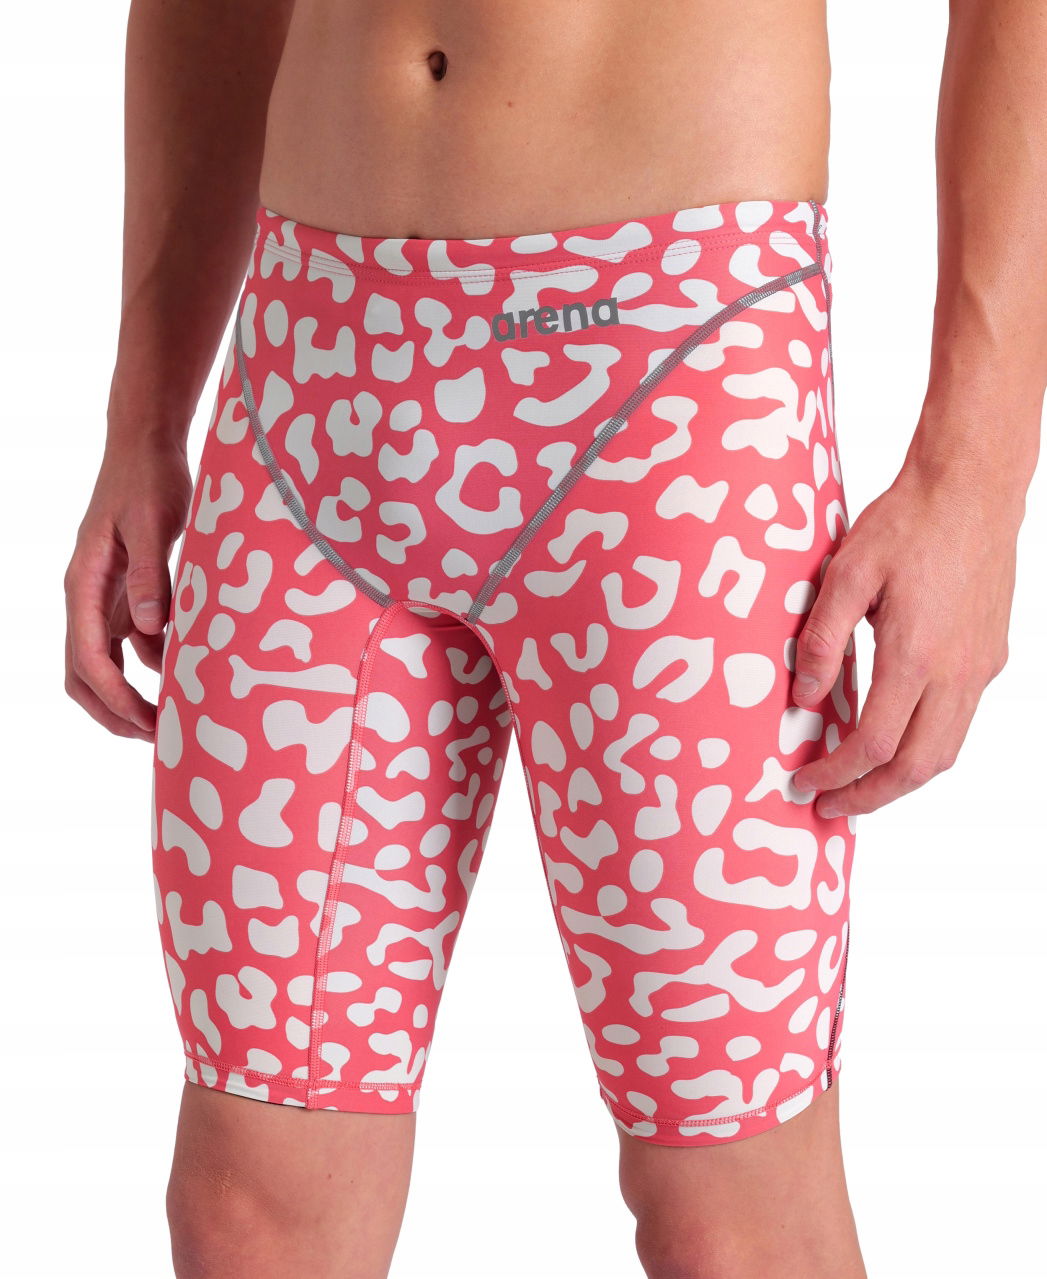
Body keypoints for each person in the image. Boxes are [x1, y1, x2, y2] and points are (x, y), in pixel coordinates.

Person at [62, 1, 1045, 1275]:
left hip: (671, 375)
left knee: (727, 1212)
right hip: (309, 375)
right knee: (245, 1207)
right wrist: (144, 414)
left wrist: (977, 480)